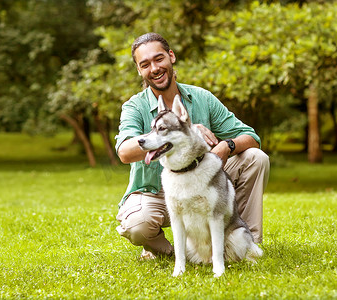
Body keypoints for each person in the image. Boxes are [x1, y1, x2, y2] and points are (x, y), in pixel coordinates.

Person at [115, 32, 270, 259]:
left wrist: (225, 146)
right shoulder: (134, 107)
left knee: (256, 158)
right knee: (138, 226)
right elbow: (125, 153)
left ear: (171, 56)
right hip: (156, 193)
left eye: (159, 59)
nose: (155, 68)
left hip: (202, 185)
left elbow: (250, 137)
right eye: (145, 64)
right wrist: (181, 133)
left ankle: (246, 244)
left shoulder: (202, 98)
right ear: (139, 70)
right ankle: (174, 252)